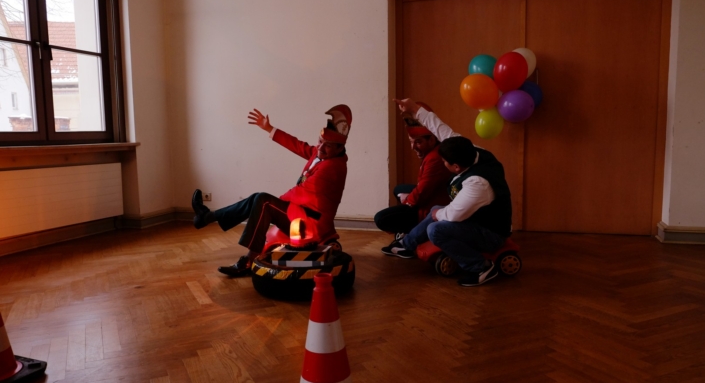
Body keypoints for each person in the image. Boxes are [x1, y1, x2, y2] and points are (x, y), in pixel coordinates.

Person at [192, 105, 351, 277]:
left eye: (327, 146)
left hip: (311, 221)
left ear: (339, 148)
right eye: (320, 141)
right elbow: (298, 145)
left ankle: (249, 260)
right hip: (301, 212)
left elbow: (301, 192)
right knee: (258, 198)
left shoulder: (332, 168)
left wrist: (277, 202)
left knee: (264, 201)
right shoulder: (323, 154)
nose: (320, 148)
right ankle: (207, 217)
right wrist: (269, 128)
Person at [383, 98, 512, 287]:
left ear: (456, 167)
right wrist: (414, 109)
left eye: (444, 162)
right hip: (475, 219)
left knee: (435, 229)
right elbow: (440, 128)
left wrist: (437, 214)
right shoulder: (471, 150)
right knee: (436, 209)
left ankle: (481, 267)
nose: (442, 163)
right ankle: (407, 245)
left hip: (490, 234)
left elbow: (452, 215)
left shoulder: (478, 183)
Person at [374, 102, 453, 255]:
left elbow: (422, 192)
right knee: (399, 189)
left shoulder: (435, 158)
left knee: (381, 219)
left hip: (432, 207)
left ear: (432, 139)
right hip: (431, 195)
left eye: (418, 142)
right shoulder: (433, 152)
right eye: (411, 141)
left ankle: (413, 234)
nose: (413, 147)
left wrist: (407, 201)